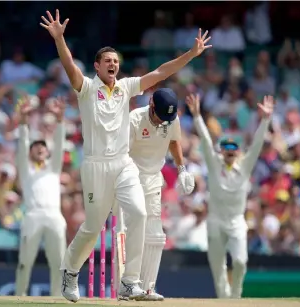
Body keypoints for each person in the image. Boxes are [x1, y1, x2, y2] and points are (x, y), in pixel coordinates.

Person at [40, 9, 212, 302]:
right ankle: (69, 270)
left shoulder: (126, 87)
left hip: (123, 164)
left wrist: (191, 55)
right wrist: (59, 39)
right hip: (95, 167)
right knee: (92, 228)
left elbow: (161, 72)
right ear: (96, 66)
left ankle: (129, 282)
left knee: (140, 214)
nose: (113, 65)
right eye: (107, 61)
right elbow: (70, 67)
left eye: (116, 62)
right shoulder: (87, 88)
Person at [185, 94, 274, 299]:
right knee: (218, 269)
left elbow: (257, 145)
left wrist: (266, 120)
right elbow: (206, 143)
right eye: (226, 147)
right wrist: (197, 116)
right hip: (215, 221)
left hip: (236, 222)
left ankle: (236, 296)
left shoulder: (245, 166)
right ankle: (225, 301)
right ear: (222, 151)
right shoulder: (214, 163)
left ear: (238, 151)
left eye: (234, 148)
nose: (230, 151)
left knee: (241, 261)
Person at [128, 88, 195, 300]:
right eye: (160, 116)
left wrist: (182, 168)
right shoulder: (134, 119)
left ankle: (148, 288)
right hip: (129, 177)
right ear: (151, 103)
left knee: (156, 236)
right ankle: (128, 284)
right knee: (133, 231)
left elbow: (174, 141)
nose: (162, 122)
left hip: (152, 178)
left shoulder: (170, 119)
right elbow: (122, 153)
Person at [14, 96, 67, 297]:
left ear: (47, 151)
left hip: (54, 216)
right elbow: (21, 147)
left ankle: (57, 297)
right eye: (35, 146)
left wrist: (61, 121)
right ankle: (19, 296)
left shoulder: (54, 169)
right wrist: (23, 123)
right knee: (24, 261)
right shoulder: (26, 171)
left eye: (43, 146)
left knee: (59, 262)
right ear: (30, 152)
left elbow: (60, 146)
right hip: (33, 216)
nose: (39, 148)